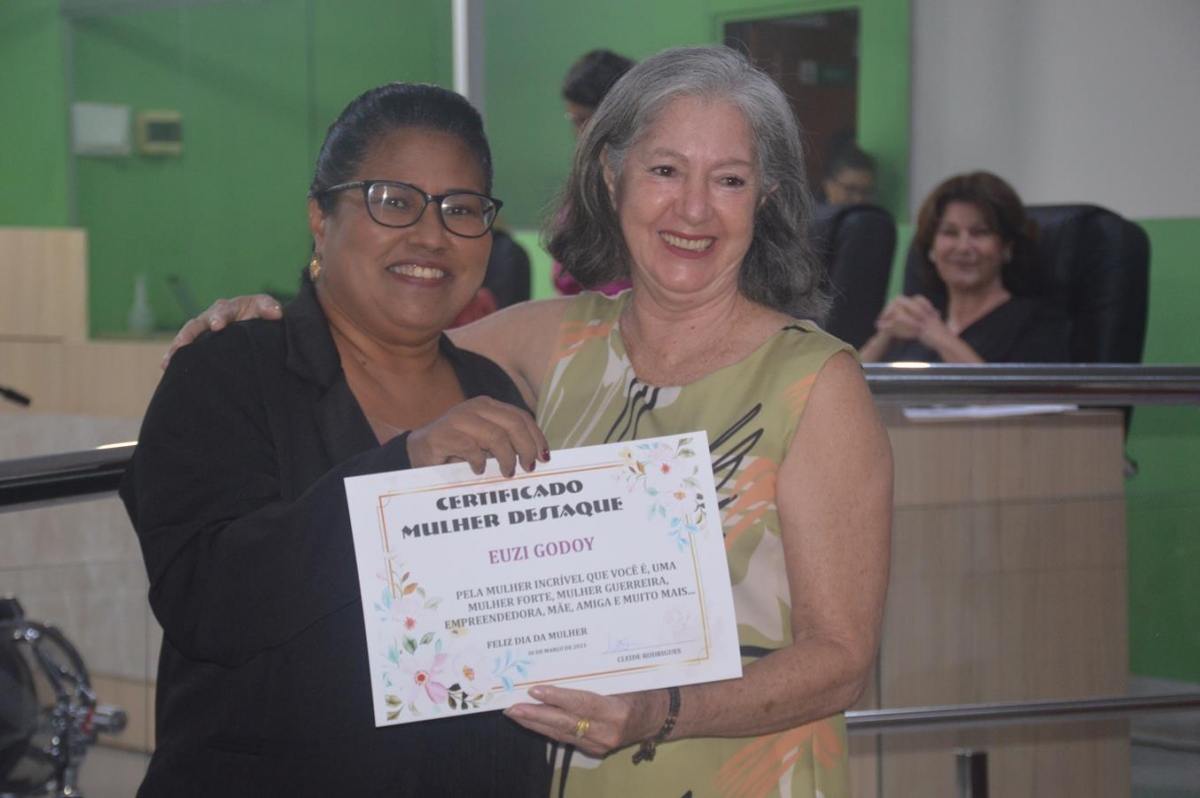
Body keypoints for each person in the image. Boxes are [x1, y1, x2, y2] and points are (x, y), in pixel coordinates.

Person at [166, 45, 893, 798]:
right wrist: (258, 322)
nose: (694, 208)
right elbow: (366, 343)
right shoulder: (544, 342)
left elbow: (842, 660)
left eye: (730, 180)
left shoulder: (816, 383)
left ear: (766, 199)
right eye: (665, 170)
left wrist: (663, 712)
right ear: (611, 177)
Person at [122, 83, 554, 797]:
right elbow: (207, 601)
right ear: (321, 219)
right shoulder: (230, 369)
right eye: (394, 201)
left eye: (461, 209)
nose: (431, 235)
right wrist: (402, 470)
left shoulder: (493, 392)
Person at [860, 171, 1070, 363]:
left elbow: (1004, 392)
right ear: (931, 247)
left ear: (1006, 246)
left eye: (980, 233)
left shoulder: (1037, 322)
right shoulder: (919, 319)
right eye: (950, 233)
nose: (963, 247)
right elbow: (848, 386)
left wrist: (938, 336)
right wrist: (885, 336)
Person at [554, 48, 636, 298]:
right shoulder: (584, 185)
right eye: (576, 121)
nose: (582, 134)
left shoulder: (650, 188)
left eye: (587, 120)